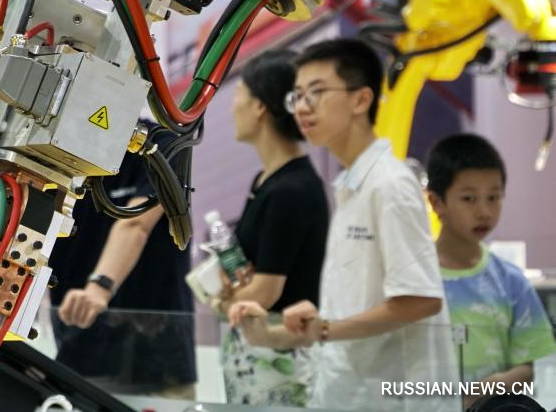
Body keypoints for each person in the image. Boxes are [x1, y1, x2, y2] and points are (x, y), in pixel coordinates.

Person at [228, 38, 459, 412]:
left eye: (317, 93)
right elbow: (351, 313)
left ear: (361, 100)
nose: (303, 107)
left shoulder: (390, 184)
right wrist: (270, 334)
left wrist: (324, 329)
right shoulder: (351, 186)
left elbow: (421, 300)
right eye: (297, 96)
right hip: (349, 394)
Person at [216, 49, 329, 407]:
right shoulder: (266, 181)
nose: (232, 106)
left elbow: (264, 291)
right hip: (254, 357)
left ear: (260, 106)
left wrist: (222, 301)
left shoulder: (291, 190)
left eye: (238, 94)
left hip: (280, 356)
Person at [48, 139, 196, 399]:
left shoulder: (161, 145)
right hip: (79, 359)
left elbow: (136, 225)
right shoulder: (53, 152)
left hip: (156, 362)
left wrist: (99, 287)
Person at [426, 133, 556, 407]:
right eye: (469, 198)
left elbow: (528, 369)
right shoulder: (414, 278)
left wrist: (485, 390)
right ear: (437, 202)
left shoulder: (511, 281)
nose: (484, 211)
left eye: (493, 197)